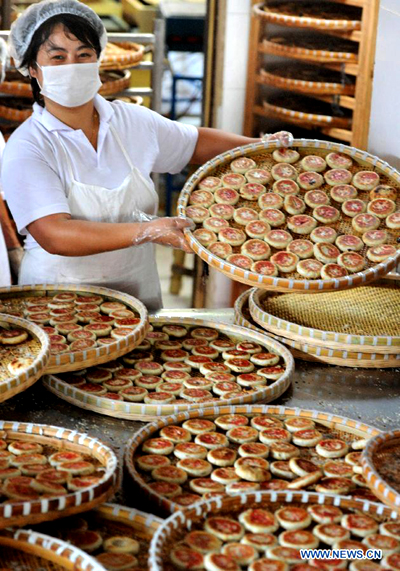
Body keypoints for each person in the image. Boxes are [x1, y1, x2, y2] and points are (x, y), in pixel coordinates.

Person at [1, 0, 290, 309]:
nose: (72, 65)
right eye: (57, 57)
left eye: (83, 54)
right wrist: (148, 230)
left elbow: (196, 142)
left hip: (136, 300)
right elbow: (55, 234)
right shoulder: (28, 146)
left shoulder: (129, 121)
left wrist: (263, 145)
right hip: (59, 305)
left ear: (98, 59)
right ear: (32, 68)